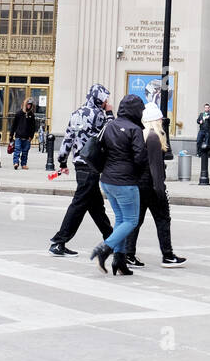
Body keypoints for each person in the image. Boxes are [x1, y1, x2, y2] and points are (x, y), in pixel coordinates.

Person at [49, 84, 114, 256]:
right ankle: (58, 242)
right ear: (99, 98)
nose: (107, 101)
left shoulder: (76, 114)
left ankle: (112, 239)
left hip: (79, 164)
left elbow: (67, 140)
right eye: (105, 98)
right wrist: (109, 113)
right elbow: (111, 131)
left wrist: (62, 162)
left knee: (96, 206)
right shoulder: (99, 115)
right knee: (79, 204)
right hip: (91, 164)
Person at [89, 93, 149, 276]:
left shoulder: (110, 125)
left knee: (122, 220)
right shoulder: (135, 129)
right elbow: (140, 157)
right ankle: (105, 249)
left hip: (107, 180)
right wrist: (138, 174)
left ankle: (120, 261)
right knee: (131, 221)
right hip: (126, 181)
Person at [123, 102, 187, 269]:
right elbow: (155, 167)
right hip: (151, 185)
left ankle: (129, 254)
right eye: (160, 117)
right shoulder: (153, 137)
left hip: (140, 184)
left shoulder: (142, 135)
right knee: (163, 219)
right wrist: (160, 190)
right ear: (155, 120)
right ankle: (167, 255)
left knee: (137, 221)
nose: (162, 120)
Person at [9, 98, 37, 170]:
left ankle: (24, 164)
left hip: (27, 137)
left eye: (30, 105)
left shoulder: (31, 115)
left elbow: (33, 127)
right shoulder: (19, 113)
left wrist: (31, 136)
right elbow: (14, 125)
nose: (29, 106)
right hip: (19, 136)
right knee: (17, 150)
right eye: (28, 104)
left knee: (25, 152)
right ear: (25, 104)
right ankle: (16, 163)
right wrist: (11, 135)